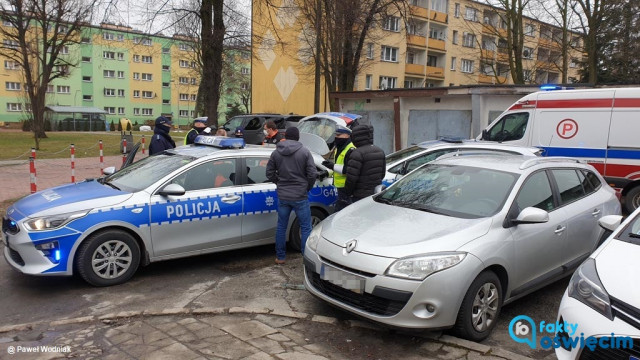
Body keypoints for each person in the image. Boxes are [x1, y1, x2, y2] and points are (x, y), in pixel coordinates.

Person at [266, 127, 317, 264]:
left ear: (285, 136)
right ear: (298, 137)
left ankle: (280, 257)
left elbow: (269, 173)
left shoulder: (276, 153)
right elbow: (312, 174)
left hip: (283, 196)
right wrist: (307, 187)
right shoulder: (305, 152)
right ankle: (306, 258)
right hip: (300, 196)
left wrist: (280, 183)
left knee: (281, 226)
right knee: (306, 227)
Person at [344, 124, 385, 202]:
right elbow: (382, 174)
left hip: (359, 195)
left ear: (356, 137)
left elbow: (351, 178)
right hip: (375, 193)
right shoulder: (380, 151)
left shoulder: (356, 153)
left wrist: (348, 192)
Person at [321, 125, 355, 211]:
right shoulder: (339, 148)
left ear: (347, 135)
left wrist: (332, 166)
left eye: (339, 135)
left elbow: (348, 170)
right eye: (336, 135)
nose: (336, 137)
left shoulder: (351, 149)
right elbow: (337, 167)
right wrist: (326, 172)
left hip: (347, 188)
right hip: (340, 188)